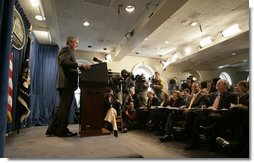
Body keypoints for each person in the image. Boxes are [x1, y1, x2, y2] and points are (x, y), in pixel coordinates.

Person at [46, 36, 91, 137]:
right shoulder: (66, 49)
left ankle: (52, 129)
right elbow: (64, 62)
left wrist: (78, 72)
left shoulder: (69, 51)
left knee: (61, 108)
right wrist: (79, 65)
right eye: (76, 42)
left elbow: (68, 67)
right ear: (70, 42)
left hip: (67, 84)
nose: (77, 45)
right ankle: (62, 131)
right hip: (66, 84)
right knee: (64, 108)